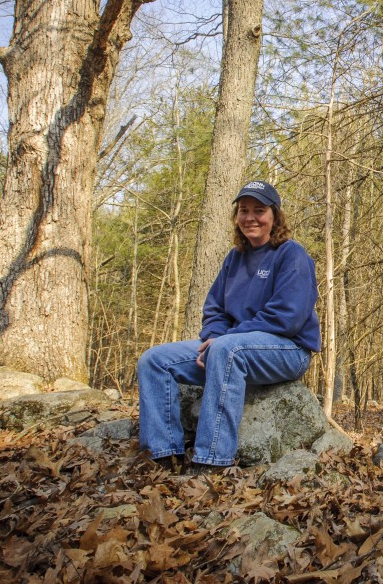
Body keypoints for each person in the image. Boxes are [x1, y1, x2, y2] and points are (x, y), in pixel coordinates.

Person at [137, 180, 320, 473]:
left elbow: (288, 316)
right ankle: (160, 454)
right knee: (154, 360)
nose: (250, 217)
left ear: (275, 217)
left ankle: (212, 462)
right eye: (243, 210)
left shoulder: (291, 254)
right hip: (233, 347)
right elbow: (214, 310)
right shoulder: (235, 258)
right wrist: (213, 337)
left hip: (289, 349)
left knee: (226, 349)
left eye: (259, 210)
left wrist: (225, 339)